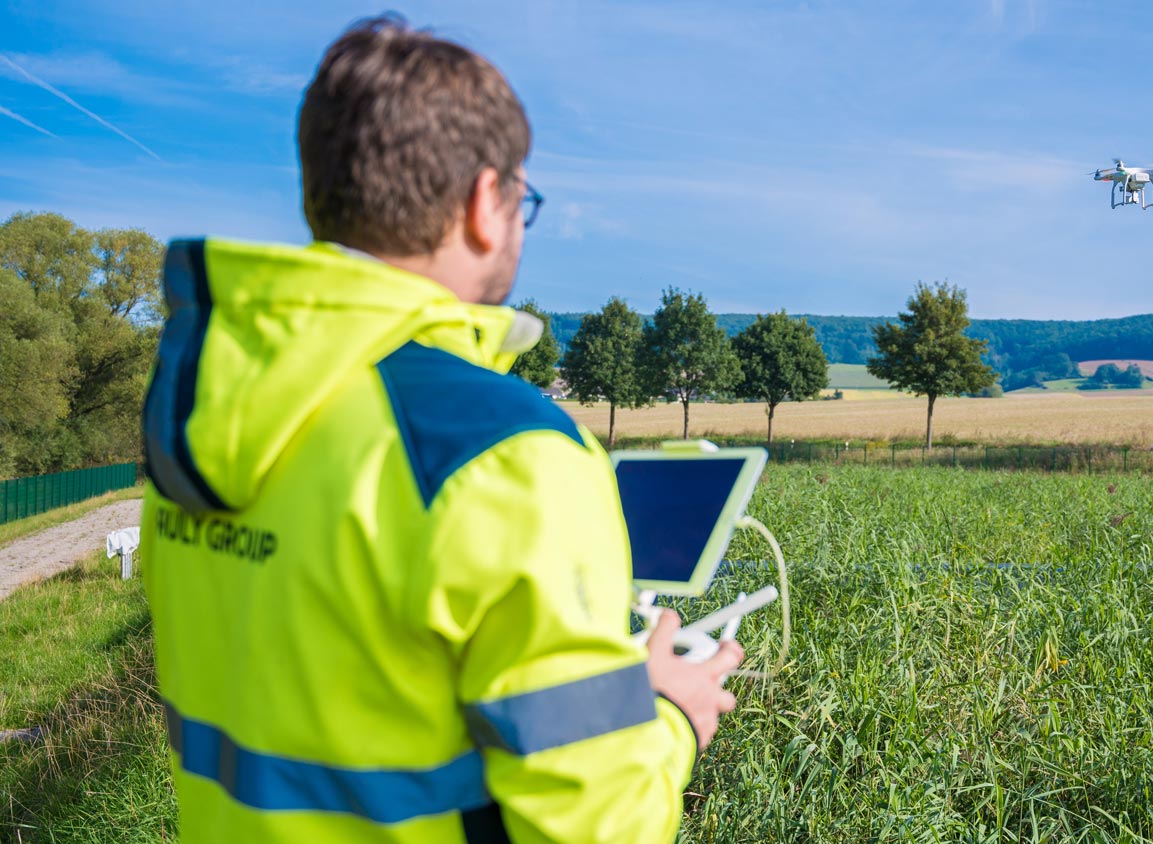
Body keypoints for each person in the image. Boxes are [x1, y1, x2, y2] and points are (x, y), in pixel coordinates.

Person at [140, 15, 742, 843]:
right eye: (523, 201)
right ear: (485, 204)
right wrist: (670, 715)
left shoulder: (206, 408)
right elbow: (596, 826)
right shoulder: (503, 451)